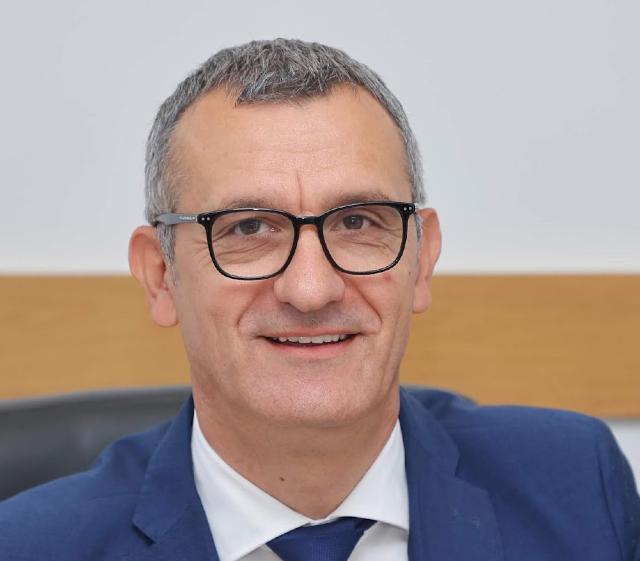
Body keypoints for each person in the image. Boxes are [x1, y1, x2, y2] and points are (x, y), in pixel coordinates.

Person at [1, 38, 639, 561]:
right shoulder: (29, 547)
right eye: (249, 228)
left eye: (358, 222)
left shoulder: (579, 488)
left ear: (422, 260)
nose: (311, 289)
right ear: (160, 276)